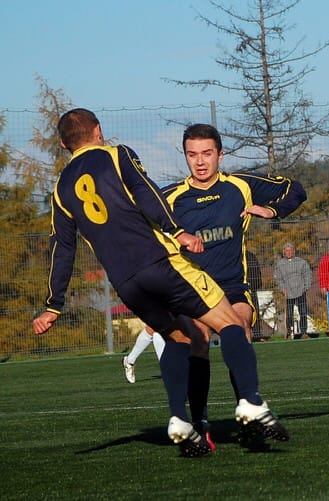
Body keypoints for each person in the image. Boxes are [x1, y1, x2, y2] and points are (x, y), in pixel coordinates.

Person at [32, 109, 289, 457]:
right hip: (159, 263)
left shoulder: (61, 188)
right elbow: (146, 193)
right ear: (98, 130)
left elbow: (62, 247)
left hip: (126, 283)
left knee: (180, 336)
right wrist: (178, 231)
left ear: (64, 145)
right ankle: (251, 402)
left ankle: (181, 421)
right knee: (231, 322)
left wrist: (53, 305)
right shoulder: (117, 154)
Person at [162, 123, 306, 441]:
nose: (200, 162)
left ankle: (249, 411)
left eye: (207, 153)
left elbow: (295, 189)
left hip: (231, 284)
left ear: (220, 155)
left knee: (241, 324)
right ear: (185, 156)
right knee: (197, 339)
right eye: (192, 154)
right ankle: (199, 422)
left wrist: (272, 210)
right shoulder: (171, 198)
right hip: (192, 287)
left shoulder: (239, 186)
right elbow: (136, 223)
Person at [273, 242, 313, 339]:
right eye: (287, 251)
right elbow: (278, 279)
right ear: (284, 252)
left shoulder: (301, 262)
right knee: (289, 314)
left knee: (303, 312)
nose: (289, 252)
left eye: (290, 250)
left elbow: (307, 274)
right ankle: (290, 333)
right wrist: (282, 288)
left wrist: (306, 286)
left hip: (300, 291)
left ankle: (304, 332)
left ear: (293, 251)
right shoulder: (280, 264)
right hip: (288, 292)